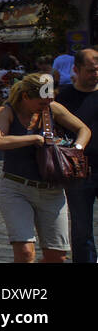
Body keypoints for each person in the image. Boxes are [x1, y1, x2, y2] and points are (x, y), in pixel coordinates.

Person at [0, 72, 91, 263]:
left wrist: (76, 150)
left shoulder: (52, 108)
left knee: (57, 256)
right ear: (25, 96)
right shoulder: (6, 111)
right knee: (25, 253)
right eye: (41, 103)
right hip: (16, 189)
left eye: (48, 102)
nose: (45, 106)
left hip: (52, 191)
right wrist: (34, 138)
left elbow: (84, 129)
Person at [57, 49, 98, 263]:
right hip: (78, 171)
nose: (95, 74)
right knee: (82, 231)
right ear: (76, 69)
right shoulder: (64, 98)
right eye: (90, 70)